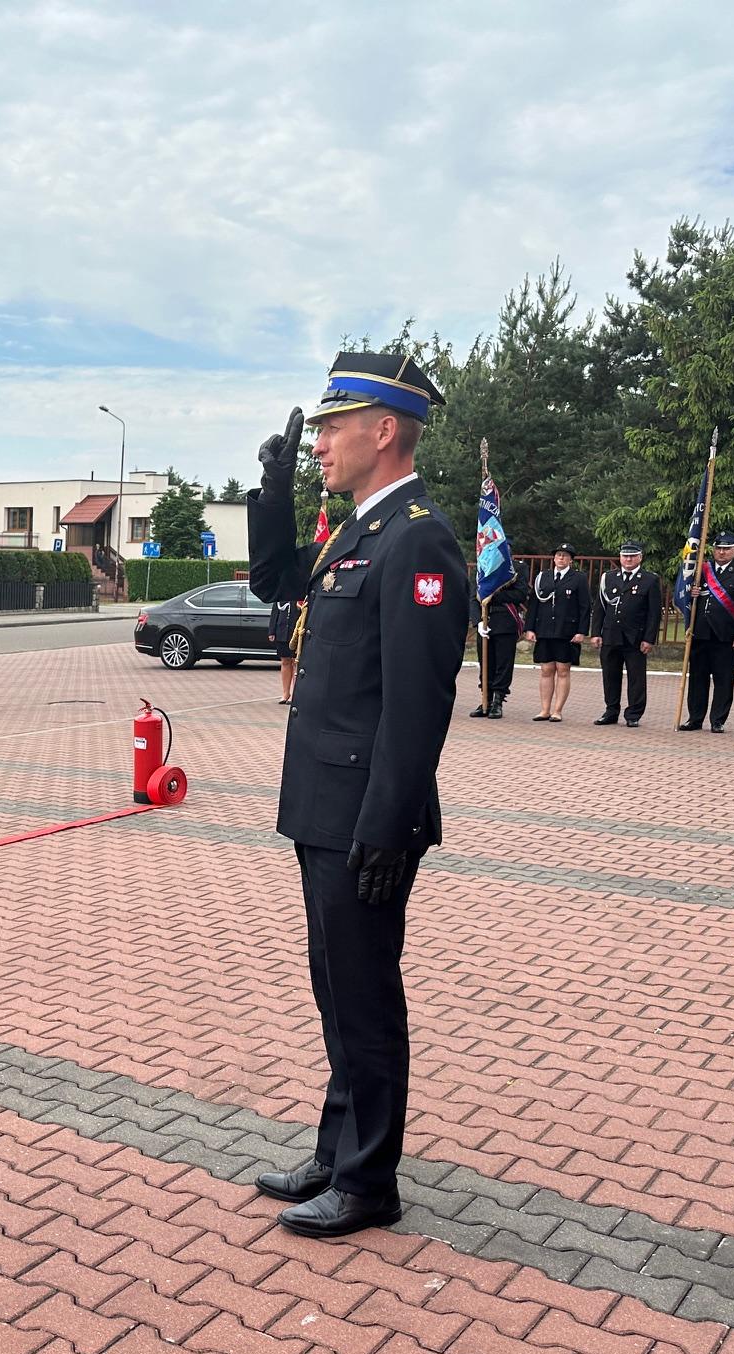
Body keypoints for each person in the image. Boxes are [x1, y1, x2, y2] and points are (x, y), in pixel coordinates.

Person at [246, 352, 467, 1239]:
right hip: (326, 808)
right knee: (335, 988)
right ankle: (338, 1153)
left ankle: (370, 1182)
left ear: (384, 431)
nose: (319, 444)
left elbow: (419, 703)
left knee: (366, 995)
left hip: (367, 818)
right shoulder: (357, 532)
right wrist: (271, 495)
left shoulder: (417, 538)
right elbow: (275, 582)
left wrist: (387, 823)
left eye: (333, 427)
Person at [680, 531, 734, 731]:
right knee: (697, 678)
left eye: (726, 549)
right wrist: (691, 593)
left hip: (726, 636)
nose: (722, 552)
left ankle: (718, 720)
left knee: (723, 680)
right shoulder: (700, 570)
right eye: (718, 548)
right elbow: (684, 597)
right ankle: (695, 718)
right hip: (700, 633)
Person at [589, 542, 661, 727]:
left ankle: (633, 714)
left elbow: (654, 613)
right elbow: (600, 607)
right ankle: (611, 711)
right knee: (610, 676)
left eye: (632, 556)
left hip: (635, 638)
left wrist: (649, 638)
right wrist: (596, 632)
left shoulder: (650, 579)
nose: (628, 559)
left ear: (640, 557)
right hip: (611, 635)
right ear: (620, 557)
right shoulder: (609, 577)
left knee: (636, 678)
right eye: (625, 556)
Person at [523, 544, 591, 722]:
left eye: (565, 556)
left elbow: (585, 606)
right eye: (558, 555)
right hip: (544, 629)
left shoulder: (578, 578)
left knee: (562, 669)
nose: (561, 558)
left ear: (571, 560)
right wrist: (529, 628)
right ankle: (544, 710)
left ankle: (557, 711)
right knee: (546, 669)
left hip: (566, 631)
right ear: (553, 558)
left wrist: (581, 631)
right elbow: (534, 604)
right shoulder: (542, 577)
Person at [469, 563, 526, 718]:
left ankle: (498, 701)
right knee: (485, 663)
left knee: (503, 664)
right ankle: (486, 700)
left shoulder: (516, 568)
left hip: (505, 620)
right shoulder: (482, 567)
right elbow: (473, 597)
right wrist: (477, 621)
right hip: (484, 621)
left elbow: (520, 594)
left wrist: (492, 594)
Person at [268, 598, 299, 703]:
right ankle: (286, 693)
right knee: (285, 661)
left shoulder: (300, 594)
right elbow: (275, 612)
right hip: (282, 632)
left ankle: (295, 694)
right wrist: (272, 631)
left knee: (295, 662)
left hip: (296, 633)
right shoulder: (281, 595)